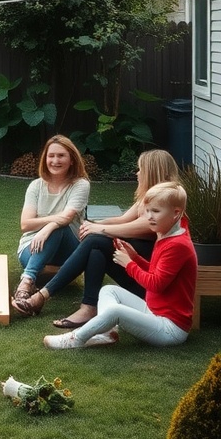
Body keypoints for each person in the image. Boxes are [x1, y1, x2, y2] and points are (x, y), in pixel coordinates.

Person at [26, 149, 180, 328]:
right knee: (95, 247)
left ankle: (44, 295)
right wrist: (91, 224)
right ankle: (89, 307)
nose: (137, 174)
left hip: (150, 283)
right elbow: (123, 219)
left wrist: (100, 228)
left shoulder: (170, 200)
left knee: (95, 241)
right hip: (139, 274)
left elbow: (143, 227)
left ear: (153, 171)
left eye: (140, 169)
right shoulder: (150, 197)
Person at [43, 181, 197, 350]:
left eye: (156, 211)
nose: (149, 217)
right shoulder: (167, 232)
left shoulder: (177, 244)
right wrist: (135, 257)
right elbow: (156, 272)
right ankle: (106, 333)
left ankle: (75, 339)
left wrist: (129, 264)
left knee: (115, 311)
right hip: (153, 311)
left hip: (170, 328)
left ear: (176, 213)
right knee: (108, 290)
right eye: (147, 211)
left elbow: (156, 284)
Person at [11, 135, 90, 317]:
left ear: (71, 160)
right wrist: (54, 221)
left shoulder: (80, 185)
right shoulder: (36, 186)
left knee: (59, 228)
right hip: (31, 248)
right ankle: (29, 279)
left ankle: (26, 282)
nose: (55, 161)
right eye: (51, 156)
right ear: (45, 159)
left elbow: (68, 217)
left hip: (68, 250)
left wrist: (47, 227)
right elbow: (25, 224)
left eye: (61, 156)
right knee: (57, 225)